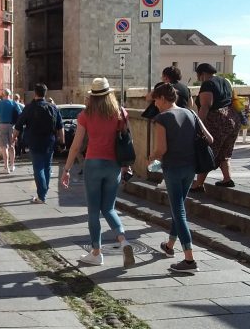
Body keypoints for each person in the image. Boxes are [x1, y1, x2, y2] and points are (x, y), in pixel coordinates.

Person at [61, 77, 135, 268]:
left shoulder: (86, 115)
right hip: (114, 166)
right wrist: (126, 165)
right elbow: (127, 141)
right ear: (110, 94)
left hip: (93, 164)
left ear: (92, 96)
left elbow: (76, 145)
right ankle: (124, 241)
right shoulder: (120, 113)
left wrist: (67, 169)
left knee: (93, 211)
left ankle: (96, 253)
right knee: (109, 208)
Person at [150, 83, 213, 273]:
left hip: (173, 168)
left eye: (155, 99)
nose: (154, 103)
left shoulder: (162, 118)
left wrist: (151, 156)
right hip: (191, 167)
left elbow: (162, 150)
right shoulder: (190, 113)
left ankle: (189, 259)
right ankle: (169, 246)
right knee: (180, 208)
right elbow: (210, 139)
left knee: (179, 211)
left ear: (162, 98)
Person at [189, 63, 240, 191]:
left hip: (217, 120)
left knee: (208, 151)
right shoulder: (225, 81)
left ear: (203, 74)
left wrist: (198, 124)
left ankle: (198, 184)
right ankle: (227, 179)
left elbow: (206, 105)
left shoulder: (208, 83)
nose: (199, 79)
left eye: (198, 75)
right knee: (225, 151)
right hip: (232, 119)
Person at [13, 83, 64, 203]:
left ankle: (41, 195)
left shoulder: (29, 108)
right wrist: (62, 142)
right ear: (45, 93)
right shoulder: (53, 107)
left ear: (35, 93)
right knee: (47, 167)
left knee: (38, 168)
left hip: (34, 141)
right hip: (50, 141)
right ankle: (43, 193)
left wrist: (13, 138)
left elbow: (18, 125)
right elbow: (60, 127)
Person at [0, 89, 21, 174]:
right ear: (10, 94)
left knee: (4, 147)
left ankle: (6, 167)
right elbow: (20, 113)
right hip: (12, 126)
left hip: (2, 125)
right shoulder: (14, 103)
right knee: (12, 145)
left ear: (3, 94)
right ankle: (12, 165)